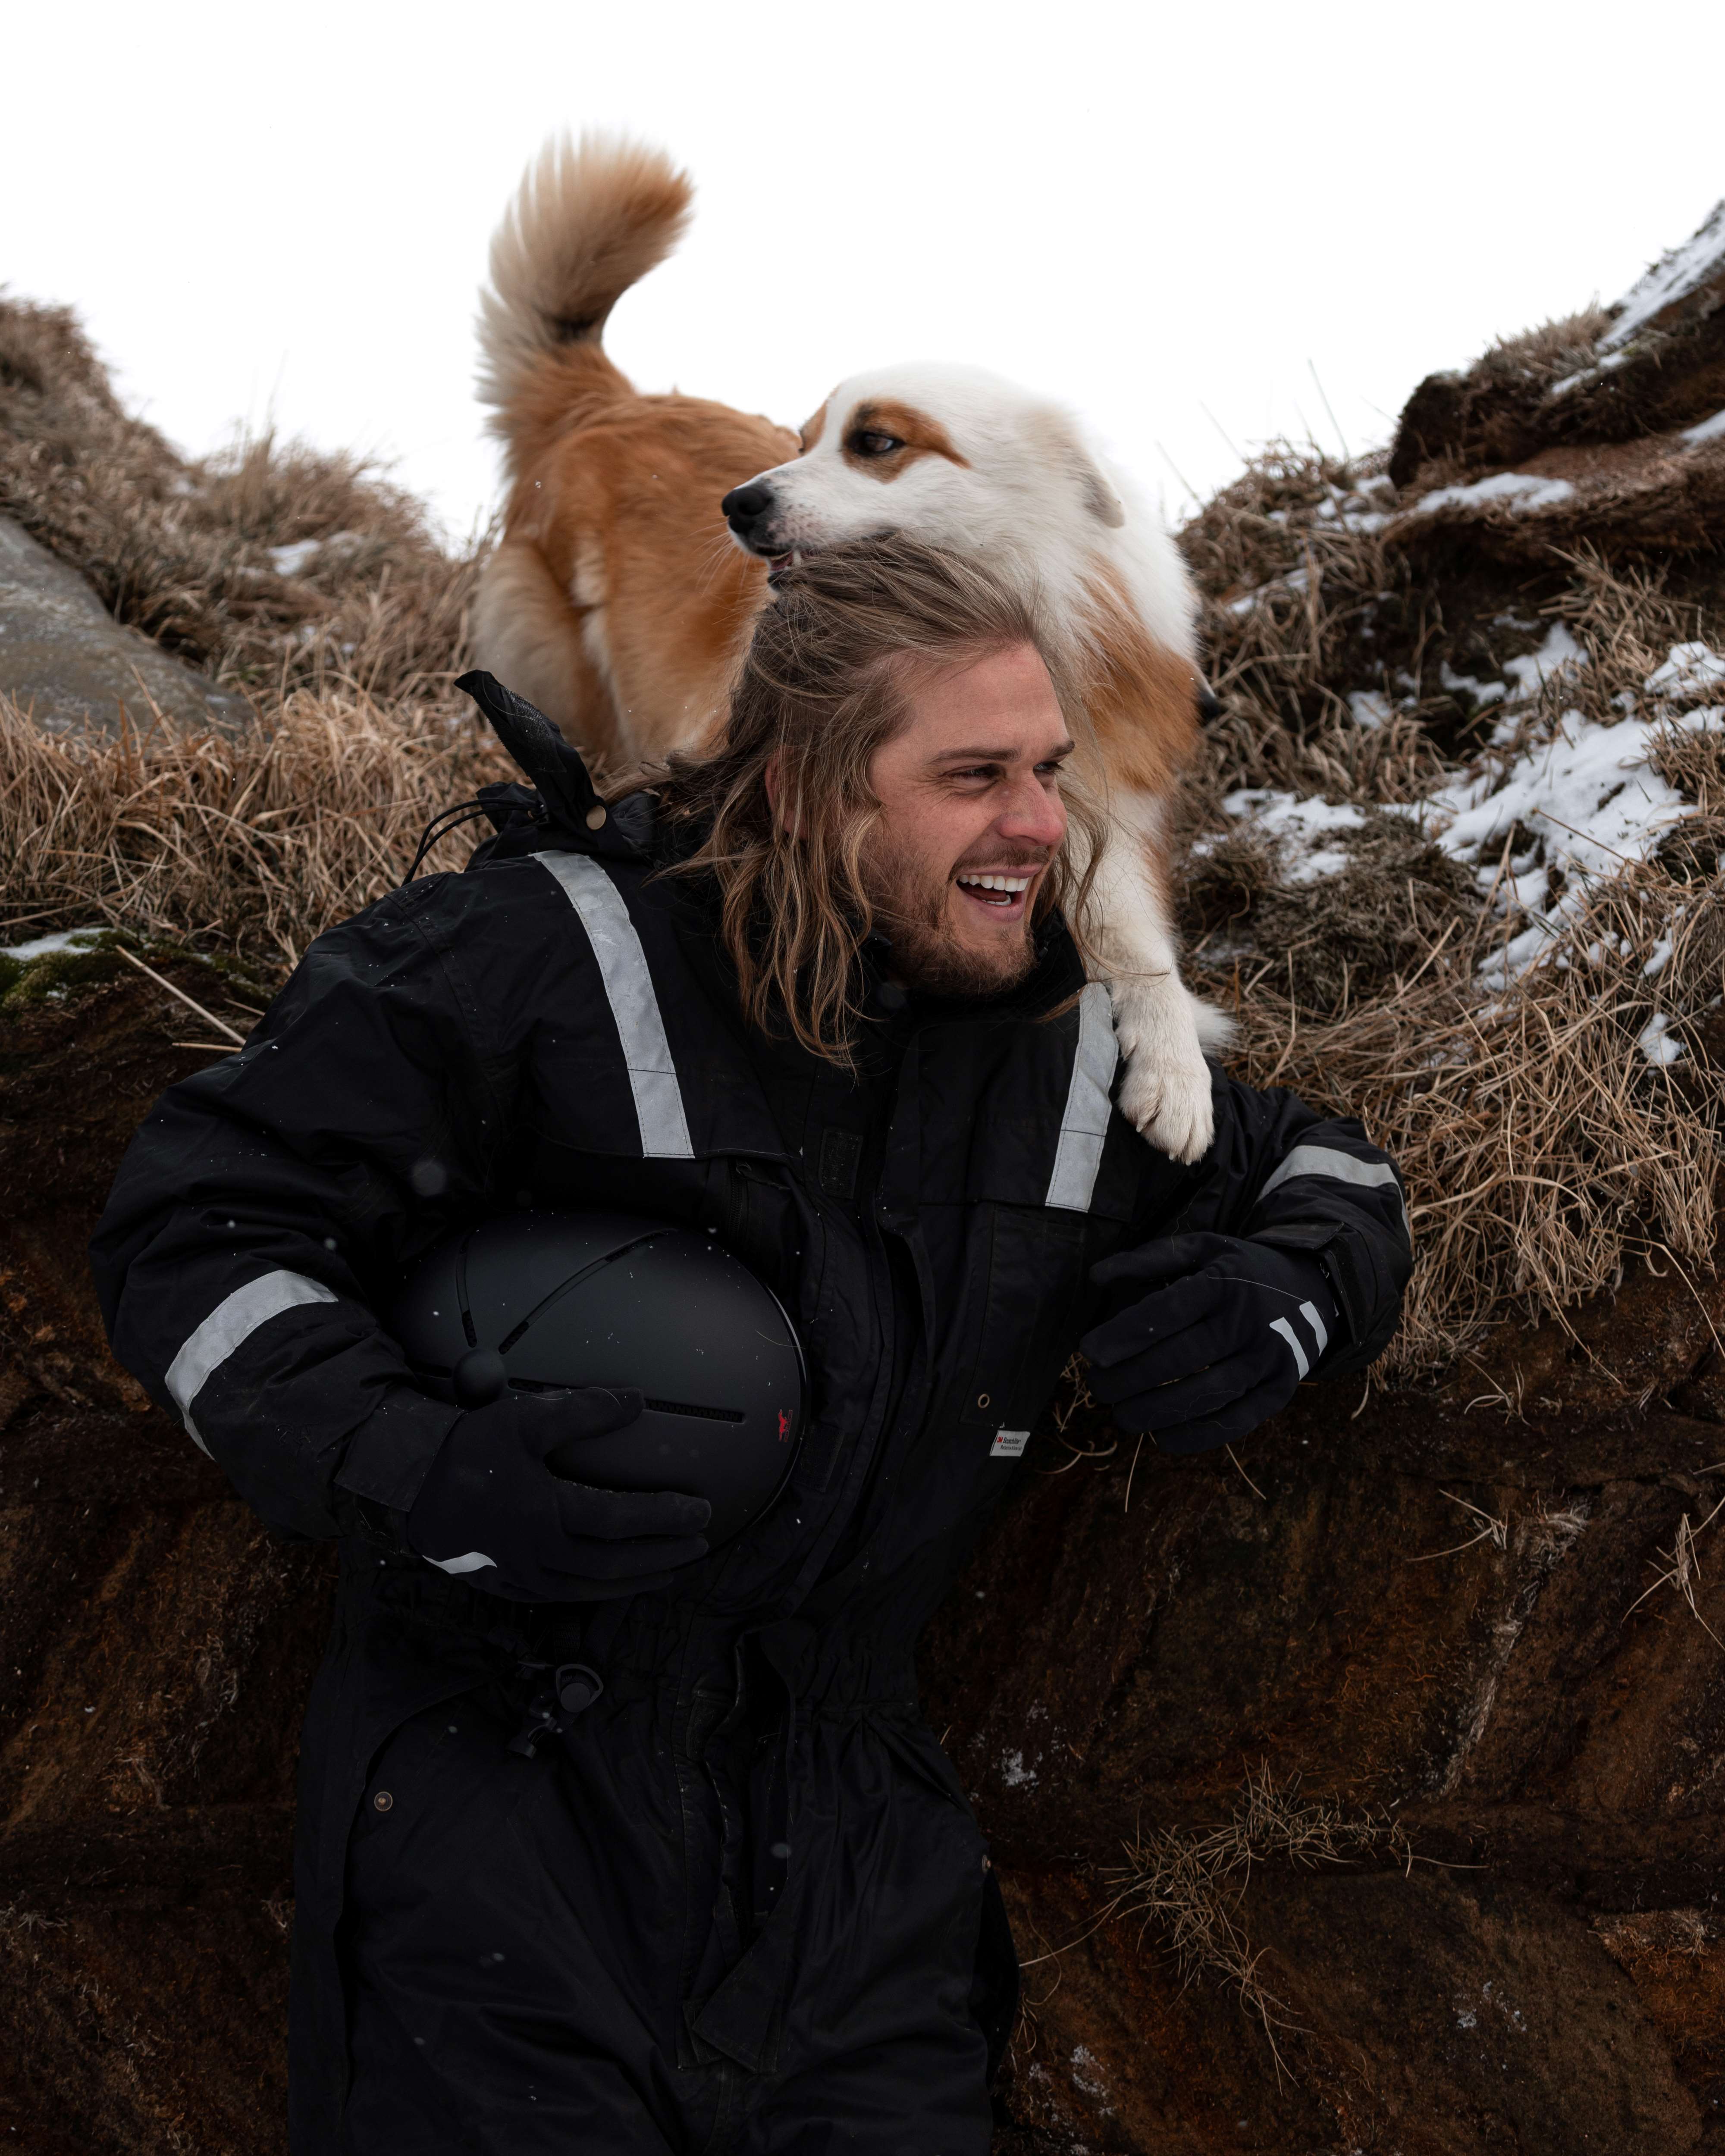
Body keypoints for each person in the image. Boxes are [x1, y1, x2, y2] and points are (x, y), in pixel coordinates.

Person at [91, 539, 1410, 2156]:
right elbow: (195, 1224)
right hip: (504, 1810)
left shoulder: (1058, 1061)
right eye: (974, 776)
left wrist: (1292, 1293)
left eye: (1050, 772)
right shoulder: (539, 960)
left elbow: (1328, 1169)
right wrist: (412, 1461)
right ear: (799, 788)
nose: (1042, 829)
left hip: (861, 1861)